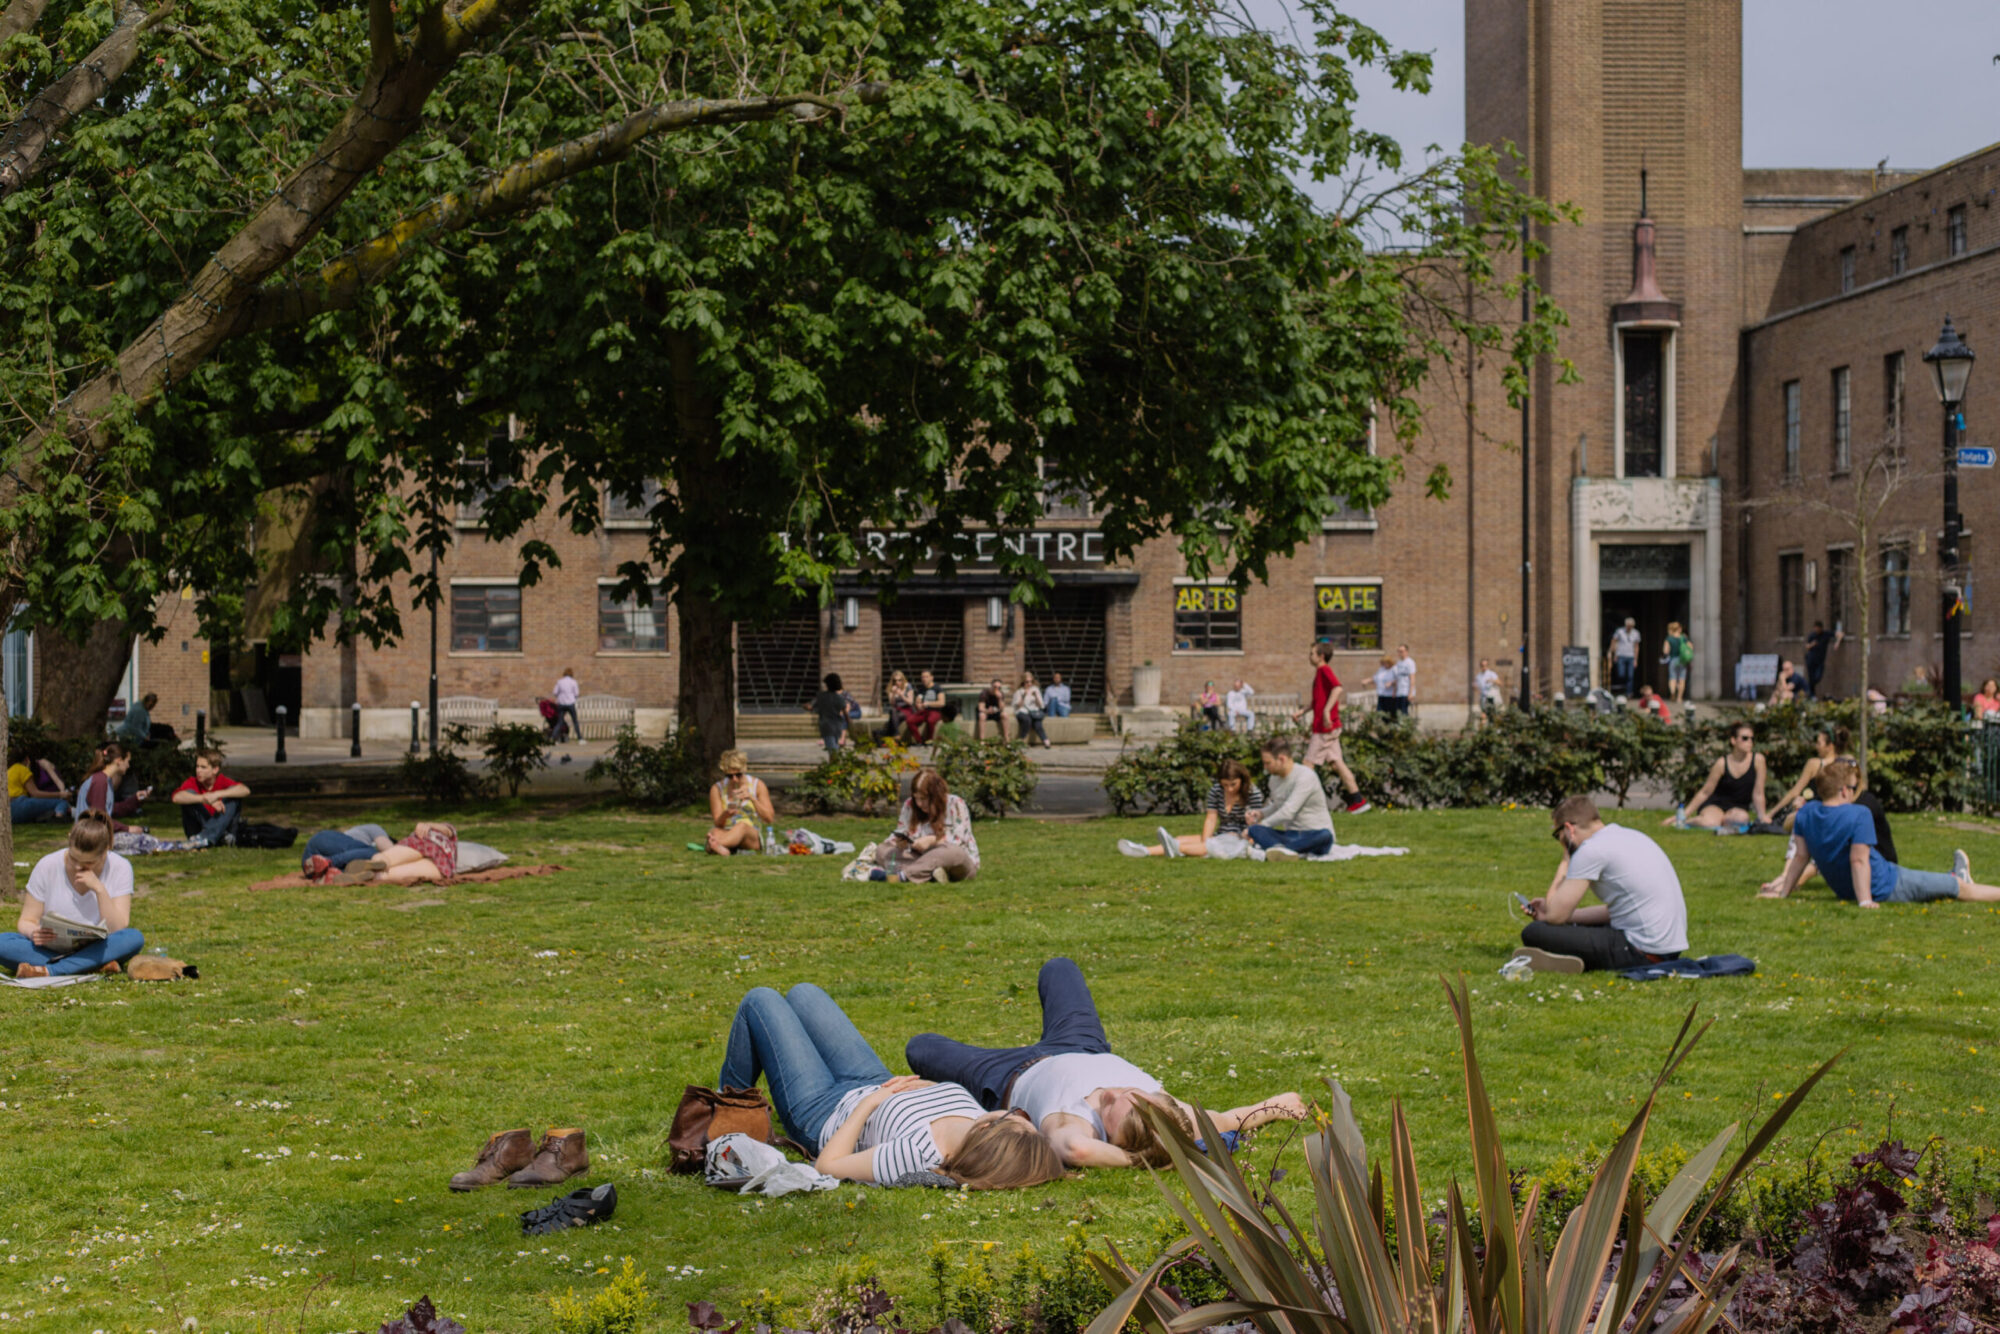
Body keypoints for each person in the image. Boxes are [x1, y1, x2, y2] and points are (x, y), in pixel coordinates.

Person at [906, 957, 1308, 1169]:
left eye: (1110, 1106)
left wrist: (1146, 1159)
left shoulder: (1074, 1127)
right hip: (1081, 1044)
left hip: (1006, 1073)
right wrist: (1277, 1106)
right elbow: (1233, 1117)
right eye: (1131, 1094)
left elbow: (1077, 1151)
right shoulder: (1173, 1115)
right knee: (1059, 967)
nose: (1112, 1092)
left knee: (921, 1049)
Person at [718, 983, 1066, 1189]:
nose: (1016, 1111)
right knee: (804, 994)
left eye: (1017, 1115)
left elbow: (828, 1166)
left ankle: (727, 1117)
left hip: (824, 1111)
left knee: (760, 1001)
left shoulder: (918, 1155)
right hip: (873, 1081)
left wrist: (869, 1106)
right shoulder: (977, 1122)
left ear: (992, 1129)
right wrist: (924, 1086)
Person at [1772, 761, 2000, 908]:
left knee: (1943, 882)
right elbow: (1859, 860)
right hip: (1888, 883)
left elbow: (1800, 857)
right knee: (1959, 889)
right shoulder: (1858, 814)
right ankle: (1959, 878)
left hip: (1855, 887)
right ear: (1843, 790)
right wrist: (1865, 901)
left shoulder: (1806, 813)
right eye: (1852, 787)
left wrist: (1784, 893)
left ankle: (1955, 874)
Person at [1511, 797, 1688, 973]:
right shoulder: (1631, 836)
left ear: (1568, 829)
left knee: (1534, 931)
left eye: (1558, 835)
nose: (1559, 841)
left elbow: (1555, 916)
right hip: (1668, 949)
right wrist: (1565, 917)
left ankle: (1562, 961)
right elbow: (1615, 912)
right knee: (1570, 927)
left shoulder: (1591, 849)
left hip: (1642, 952)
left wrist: (1566, 861)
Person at [0, 813, 145, 978]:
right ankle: (90, 965)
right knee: (3, 942)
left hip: (99, 946)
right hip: (51, 948)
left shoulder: (121, 867)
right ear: (69, 840)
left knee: (133, 938)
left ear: (105, 852)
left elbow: (116, 928)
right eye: (73, 858)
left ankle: (50, 970)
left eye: (88, 863)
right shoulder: (47, 865)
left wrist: (99, 889)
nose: (78, 867)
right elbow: (26, 920)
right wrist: (34, 932)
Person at [1117, 758, 1266, 859]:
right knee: (1184, 839)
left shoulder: (1253, 793)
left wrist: (1247, 829)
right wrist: (1206, 840)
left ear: (1242, 780)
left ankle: (1169, 849)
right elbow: (1211, 818)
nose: (1229, 789)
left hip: (1241, 838)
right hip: (1220, 833)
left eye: (1233, 784)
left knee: (1203, 846)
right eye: (1225, 785)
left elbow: (1256, 825)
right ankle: (1144, 850)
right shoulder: (1216, 790)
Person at [1290, 643, 1368, 813]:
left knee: (1307, 764)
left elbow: (1338, 688)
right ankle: (1358, 800)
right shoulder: (1319, 673)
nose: (1309, 656)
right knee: (1337, 764)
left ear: (1321, 656)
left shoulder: (1324, 670)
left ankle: (1300, 805)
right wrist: (1302, 711)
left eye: (1312, 653)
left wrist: (1326, 712)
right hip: (1328, 727)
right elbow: (1317, 700)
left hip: (1324, 729)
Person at [871, 767, 979, 883]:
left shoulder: (955, 804)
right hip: (919, 857)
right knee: (882, 850)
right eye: (916, 798)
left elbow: (959, 842)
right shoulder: (910, 805)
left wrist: (933, 841)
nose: (919, 804)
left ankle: (903, 876)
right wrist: (899, 842)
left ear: (935, 795)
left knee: (954, 853)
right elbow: (901, 832)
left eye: (923, 799)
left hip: (954, 861)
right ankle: (931, 874)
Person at [1245, 734, 1334, 860]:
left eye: (1268, 763)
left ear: (1281, 759)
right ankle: (1285, 849)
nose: (1265, 767)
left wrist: (1264, 824)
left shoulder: (1305, 776)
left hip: (1313, 833)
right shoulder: (1273, 779)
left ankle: (1280, 849)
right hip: (1290, 834)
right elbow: (1278, 805)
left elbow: (1288, 812)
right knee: (1254, 830)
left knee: (1325, 836)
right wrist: (1260, 814)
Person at [1668, 722, 1767, 829]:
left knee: (1741, 819)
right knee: (1710, 823)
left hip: (1738, 808)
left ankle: (1722, 821)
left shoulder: (1758, 760)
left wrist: (1762, 817)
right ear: (1733, 740)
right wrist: (1685, 814)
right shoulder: (1722, 763)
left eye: (1752, 739)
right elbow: (1706, 792)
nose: (1749, 742)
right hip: (1715, 805)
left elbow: (1758, 793)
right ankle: (1688, 821)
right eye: (1745, 738)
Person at [172, 749, 249, 847]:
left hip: (222, 831)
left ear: (215, 770)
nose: (198, 770)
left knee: (233, 797)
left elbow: (245, 790)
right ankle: (205, 838)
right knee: (189, 795)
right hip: (198, 831)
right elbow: (176, 797)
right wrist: (204, 799)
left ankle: (208, 837)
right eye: (197, 766)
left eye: (203, 767)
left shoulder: (222, 781)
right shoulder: (192, 782)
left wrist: (216, 795)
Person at [707, 750, 775, 855]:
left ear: (744, 770)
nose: (734, 779)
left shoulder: (757, 785)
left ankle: (716, 845)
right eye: (730, 776)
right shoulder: (717, 789)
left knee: (741, 826)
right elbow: (718, 823)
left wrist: (752, 799)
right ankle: (722, 848)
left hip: (750, 833)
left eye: (738, 775)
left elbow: (769, 818)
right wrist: (726, 814)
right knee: (715, 831)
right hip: (728, 830)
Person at [74, 743, 149, 832]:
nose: (128, 766)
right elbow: (99, 818)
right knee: (147, 842)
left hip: (96, 834)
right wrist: (127, 829)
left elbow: (110, 810)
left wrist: (135, 800)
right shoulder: (99, 781)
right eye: (127, 761)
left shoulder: (106, 780)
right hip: (90, 837)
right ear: (119, 760)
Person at [301, 826, 394, 883]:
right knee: (372, 852)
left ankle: (331, 873)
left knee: (357, 867)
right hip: (322, 843)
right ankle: (330, 862)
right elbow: (389, 848)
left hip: (310, 866)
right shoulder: (375, 828)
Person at [7, 747, 71, 824]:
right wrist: (59, 794)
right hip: (20, 804)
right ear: (27, 759)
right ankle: (58, 817)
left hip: (8, 810)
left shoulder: (8, 771)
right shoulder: (23, 769)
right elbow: (35, 793)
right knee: (61, 803)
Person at [809, 673, 851, 753]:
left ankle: (834, 764)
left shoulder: (821, 696)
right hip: (837, 726)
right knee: (834, 747)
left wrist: (806, 706)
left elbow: (812, 707)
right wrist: (850, 725)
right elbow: (846, 714)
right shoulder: (839, 698)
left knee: (832, 749)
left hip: (826, 726)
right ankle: (835, 763)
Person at [1013, 672, 1051, 748]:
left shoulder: (1035, 690)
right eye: (1027, 682)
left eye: (1031, 681)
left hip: (1034, 712)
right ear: (1023, 682)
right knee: (1027, 720)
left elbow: (1041, 706)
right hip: (1022, 711)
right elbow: (1017, 706)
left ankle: (1045, 741)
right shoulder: (1019, 691)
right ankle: (1022, 740)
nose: (1029, 684)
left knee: (1038, 724)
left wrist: (1036, 696)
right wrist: (1024, 696)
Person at [907, 670, 946, 745]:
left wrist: (928, 703)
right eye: (923, 677)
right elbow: (918, 703)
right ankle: (919, 741)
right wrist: (918, 704)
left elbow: (942, 703)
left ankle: (929, 741)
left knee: (930, 720)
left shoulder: (937, 688)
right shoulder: (921, 689)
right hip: (924, 712)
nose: (924, 679)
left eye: (926, 677)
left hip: (935, 711)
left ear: (931, 678)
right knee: (910, 721)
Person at [1803, 622, 1841, 699]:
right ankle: (1812, 695)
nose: (1816, 630)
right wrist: (1812, 644)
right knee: (1811, 678)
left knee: (1817, 677)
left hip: (1820, 660)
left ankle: (1810, 693)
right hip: (1811, 660)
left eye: (1817, 628)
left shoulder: (1825, 634)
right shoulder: (1812, 635)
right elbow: (1807, 646)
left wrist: (1837, 642)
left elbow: (1840, 634)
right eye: (1815, 628)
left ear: (1821, 628)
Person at [1608, 617, 1640, 698]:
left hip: (1631, 656)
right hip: (1620, 655)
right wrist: (1613, 653)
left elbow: (1636, 646)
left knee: (1630, 676)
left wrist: (1636, 659)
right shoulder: (1619, 631)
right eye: (1628, 625)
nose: (1629, 627)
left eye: (1631, 626)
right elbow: (1614, 641)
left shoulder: (1636, 633)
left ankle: (1629, 693)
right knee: (1621, 674)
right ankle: (1622, 690)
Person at [1662, 622, 1693, 705]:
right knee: (1682, 679)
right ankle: (1679, 698)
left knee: (1673, 678)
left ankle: (1673, 692)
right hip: (1683, 660)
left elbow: (1665, 651)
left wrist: (1665, 656)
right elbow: (1691, 648)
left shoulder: (1669, 639)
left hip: (1673, 659)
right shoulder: (1684, 638)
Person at [550, 669, 581, 743]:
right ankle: (580, 738)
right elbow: (576, 693)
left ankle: (553, 737)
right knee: (575, 721)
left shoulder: (560, 681)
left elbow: (555, 692)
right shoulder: (573, 682)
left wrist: (561, 696)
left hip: (561, 703)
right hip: (570, 703)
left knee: (560, 722)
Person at [884, 670, 916, 741]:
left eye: (899, 680)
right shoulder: (891, 687)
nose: (897, 682)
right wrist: (893, 694)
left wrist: (901, 695)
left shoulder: (908, 686)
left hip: (907, 709)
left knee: (892, 718)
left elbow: (910, 702)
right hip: (897, 710)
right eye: (895, 681)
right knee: (893, 711)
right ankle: (897, 734)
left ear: (903, 680)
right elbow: (892, 704)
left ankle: (893, 734)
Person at [1392, 644, 1417, 718]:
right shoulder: (1399, 663)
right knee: (1398, 711)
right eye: (1399, 651)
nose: (1400, 653)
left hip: (1406, 691)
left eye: (1401, 651)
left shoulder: (1410, 662)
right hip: (1399, 692)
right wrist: (1394, 691)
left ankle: (1405, 727)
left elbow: (1412, 678)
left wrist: (1411, 693)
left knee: (1404, 711)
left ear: (1406, 652)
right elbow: (1397, 678)